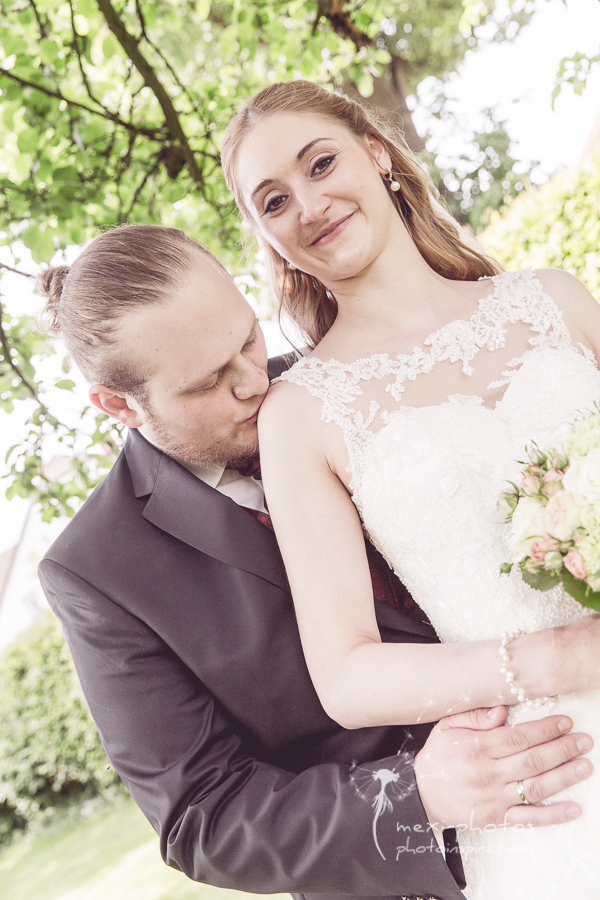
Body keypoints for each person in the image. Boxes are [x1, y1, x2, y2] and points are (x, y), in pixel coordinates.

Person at [37, 225, 593, 900]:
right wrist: (415, 797)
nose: (254, 382)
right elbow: (200, 818)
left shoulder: (344, 382)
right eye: (209, 381)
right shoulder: (97, 570)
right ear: (118, 406)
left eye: (246, 339)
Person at [221, 81, 600, 899]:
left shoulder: (556, 301)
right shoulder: (302, 415)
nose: (310, 204)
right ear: (266, 237)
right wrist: (563, 655)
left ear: (379, 154)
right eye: (274, 201)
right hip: (552, 764)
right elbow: (347, 676)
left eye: (321, 162)